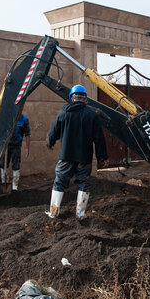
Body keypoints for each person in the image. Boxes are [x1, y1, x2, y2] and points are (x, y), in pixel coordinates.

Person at [45, 84, 109, 220]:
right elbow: (99, 139)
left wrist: (50, 142)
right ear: (85, 99)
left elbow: (53, 131)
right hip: (84, 157)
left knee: (60, 182)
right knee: (83, 183)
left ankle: (53, 213)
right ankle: (80, 214)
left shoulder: (64, 113)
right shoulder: (92, 115)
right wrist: (102, 157)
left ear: (71, 98)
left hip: (66, 156)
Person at [0, 113, 31, 191]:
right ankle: (4, 182)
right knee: (4, 164)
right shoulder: (7, 117)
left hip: (16, 146)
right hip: (6, 145)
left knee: (16, 164)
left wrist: (27, 148)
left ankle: (14, 186)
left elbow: (27, 134)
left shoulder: (24, 119)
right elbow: (1, 131)